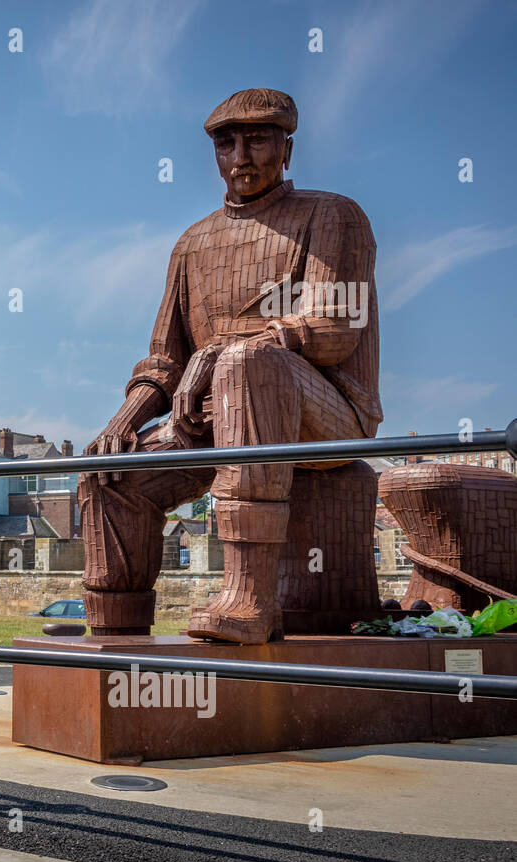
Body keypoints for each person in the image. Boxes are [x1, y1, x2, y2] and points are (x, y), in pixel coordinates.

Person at [79, 89, 380, 644]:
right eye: (226, 142)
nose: (240, 155)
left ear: (286, 148)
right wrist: (123, 419)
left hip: (327, 418)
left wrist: (221, 352)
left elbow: (336, 326)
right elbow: (166, 359)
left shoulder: (333, 214)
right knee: (108, 470)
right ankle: (113, 623)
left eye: (258, 139)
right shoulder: (192, 243)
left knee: (247, 363)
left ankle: (249, 598)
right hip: (212, 421)